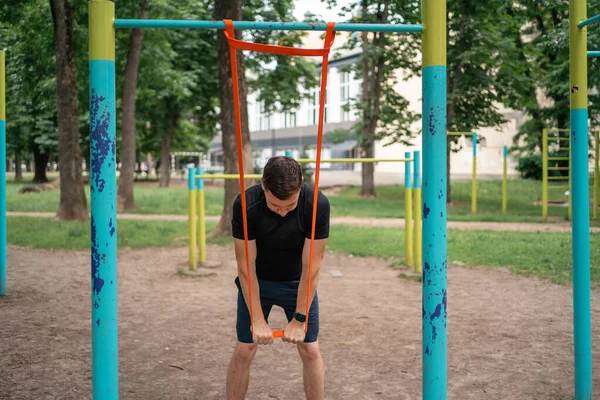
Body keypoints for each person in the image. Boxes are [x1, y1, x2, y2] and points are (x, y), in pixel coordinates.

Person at [226, 156, 330, 400]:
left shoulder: (316, 204)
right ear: (263, 185)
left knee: (311, 349)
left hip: (297, 282)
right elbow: (245, 267)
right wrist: (258, 319)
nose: (282, 212)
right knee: (244, 349)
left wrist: (300, 317)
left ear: (301, 185)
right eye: (275, 206)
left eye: (289, 205)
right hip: (257, 281)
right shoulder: (246, 204)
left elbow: (311, 268)